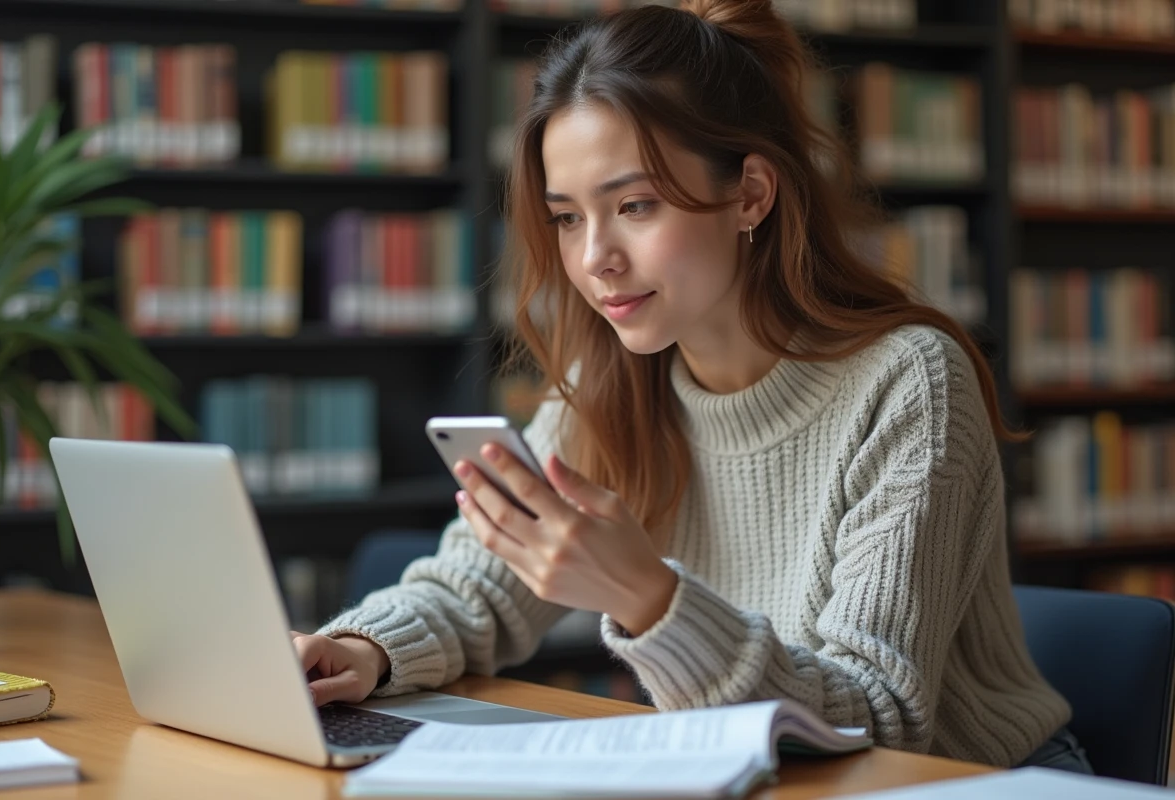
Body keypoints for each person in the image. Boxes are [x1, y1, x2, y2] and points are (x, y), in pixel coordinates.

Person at [293, 0, 1092, 773]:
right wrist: (362, 651)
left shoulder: (907, 383)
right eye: (567, 217)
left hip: (966, 780)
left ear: (751, 194)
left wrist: (649, 597)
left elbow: (876, 718)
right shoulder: (612, 376)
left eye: (634, 205)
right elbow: (482, 586)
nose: (595, 258)